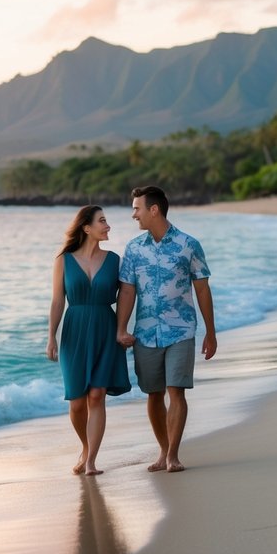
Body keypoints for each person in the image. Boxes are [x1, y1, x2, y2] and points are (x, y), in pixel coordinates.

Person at [116, 185, 217, 473]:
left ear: (154, 209)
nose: (134, 214)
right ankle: (162, 451)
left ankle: (173, 454)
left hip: (181, 330)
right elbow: (126, 292)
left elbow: (202, 290)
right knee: (153, 393)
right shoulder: (134, 249)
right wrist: (121, 328)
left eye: (137, 208)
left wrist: (210, 332)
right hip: (145, 333)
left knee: (177, 390)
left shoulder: (189, 244)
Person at [47, 205, 130, 475]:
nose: (108, 226)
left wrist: (123, 329)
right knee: (77, 400)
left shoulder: (114, 260)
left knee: (97, 395)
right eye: (102, 221)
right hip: (74, 330)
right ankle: (84, 446)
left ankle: (92, 459)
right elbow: (58, 301)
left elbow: (129, 295)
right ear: (86, 227)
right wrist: (51, 337)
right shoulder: (63, 260)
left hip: (105, 329)